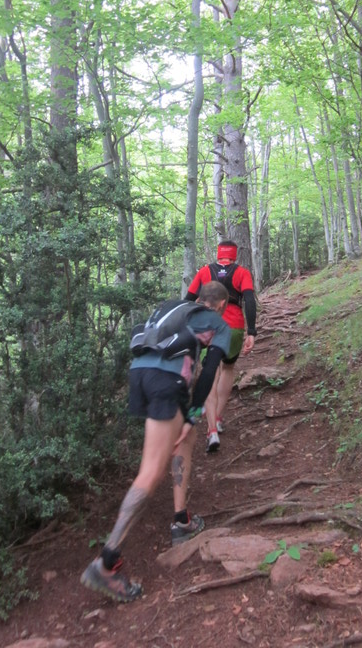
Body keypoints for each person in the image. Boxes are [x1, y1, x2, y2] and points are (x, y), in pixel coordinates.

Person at [80, 281, 231, 604]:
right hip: (167, 380)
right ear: (220, 305)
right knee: (150, 473)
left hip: (140, 374)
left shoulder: (174, 308)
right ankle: (106, 562)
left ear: (199, 298)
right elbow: (209, 371)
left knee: (185, 438)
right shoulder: (218, 323)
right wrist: (194, 412)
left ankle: (181, 520)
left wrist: (187, 419)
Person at [185, 240, 257, 452]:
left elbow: (188, 299)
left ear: (218, 254)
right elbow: (250, 300)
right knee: (227, 369)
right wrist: (251, 332)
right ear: (234, 255)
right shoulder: (242, 273)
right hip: (234, 328)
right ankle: (217, 418)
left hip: (208, 328)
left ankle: (211, 431)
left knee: (210, 373)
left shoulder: (204, 272)